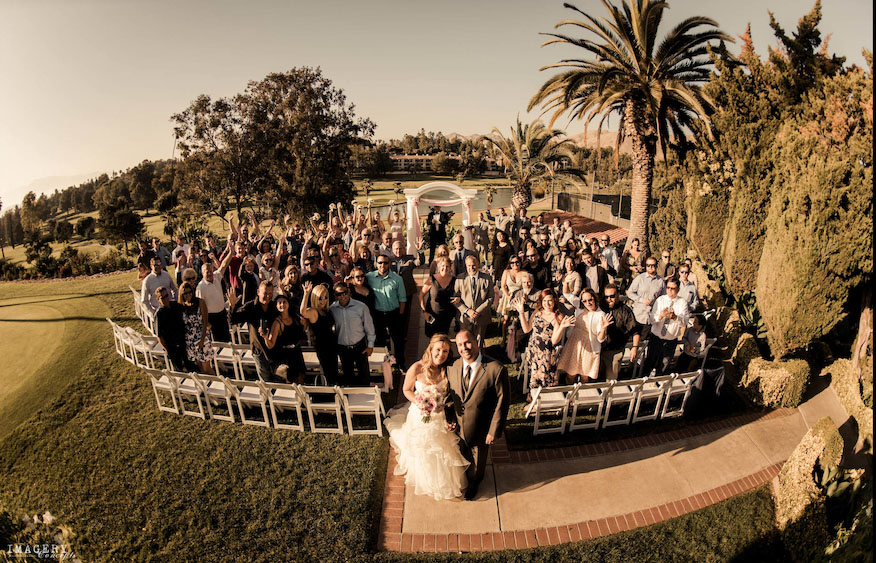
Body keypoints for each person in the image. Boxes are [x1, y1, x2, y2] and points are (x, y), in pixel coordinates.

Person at [384, 334, 470, 500]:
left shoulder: (448, 369)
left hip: (441, 416)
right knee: (423, 448)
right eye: (438, 350)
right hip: (420, 414)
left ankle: (444, 481)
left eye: (445, 351)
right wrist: (419, 401)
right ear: (430, 350)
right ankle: (427, 477)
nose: (441, 354)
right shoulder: (417, 368)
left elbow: (453, 395)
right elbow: (407, 390)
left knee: (443, 450)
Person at [445, 330, 510, 500]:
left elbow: (502, 403)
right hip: (458, 426)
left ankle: (475, 483)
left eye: (467, 342)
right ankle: (466, 478)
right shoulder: (452, 366)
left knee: (478, 460)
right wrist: (449, 418)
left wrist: (493, 431)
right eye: (459, 344)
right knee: (462, 455)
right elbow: (450, 397)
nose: (464, 347)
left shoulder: (496, 369)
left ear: (476, 342)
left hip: (482, 428)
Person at [518, 289, 572, 389]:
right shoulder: (537, 312)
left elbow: (554, 341)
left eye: (550, 300)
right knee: (534, 376)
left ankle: (541, 400)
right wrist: (521, 313)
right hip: (534, 350)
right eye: (544, 301)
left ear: (555, 301)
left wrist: (562, 327)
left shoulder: (558, 317)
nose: (547, 304)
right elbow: (526, 329)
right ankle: (533, 396)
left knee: (544, 379)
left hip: (546, 353)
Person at [228, 281, 279, 382]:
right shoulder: (251, 307)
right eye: (265, 293)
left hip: (275, 350)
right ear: (258, 292)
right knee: (266, 381)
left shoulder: (274, 306)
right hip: (259, 350)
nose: (268, 296)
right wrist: (232, 306)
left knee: (278, 379)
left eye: (270, 293)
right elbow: (233, 320)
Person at [557, 288, 610, 382]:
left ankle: (580, 395)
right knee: (571, 374)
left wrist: (603, 328)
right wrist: (566, 279)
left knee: (584, 377)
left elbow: (601, 339)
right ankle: (569, 394)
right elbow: (566, 293)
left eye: (590, 299)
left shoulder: (601, 314)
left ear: (595, 298)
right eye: (584, 301)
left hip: (589, 348)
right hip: (575, 344)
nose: (588, 303)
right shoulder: (580, 307)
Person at [641, 277, 690, 377]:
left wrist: (675, 317)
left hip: (670, 340)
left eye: (673, 288)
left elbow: (685, 322)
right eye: (668, 288)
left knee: (664, 365)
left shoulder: (682, 303)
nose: (670, 290)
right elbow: (651, 319)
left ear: (678, 289)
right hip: (656, 338)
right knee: (649, 362)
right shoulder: (660, 300)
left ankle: (658, 385)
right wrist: (660, 316)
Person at [330, 282, 376, 386]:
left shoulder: (361, 307)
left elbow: (369, 327)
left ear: (349, 291)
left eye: (345, 292)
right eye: (339, 294)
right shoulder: (332, 309)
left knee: (364, 376)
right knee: (348, 377)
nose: (343, 296)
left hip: (360, 346)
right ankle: (351, 400)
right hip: (343, 349)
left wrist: (370, 345)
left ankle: (366, 398)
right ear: (335, 295)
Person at [600, 284, 642, 381]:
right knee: (597, 378)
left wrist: (634, 348)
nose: (609, 299)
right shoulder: (601, 307)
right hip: (599, 349)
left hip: (615, 351)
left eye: (612, 296)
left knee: (611, 380)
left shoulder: (625, 310)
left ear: (618, 295)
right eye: (606, 297)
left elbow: (635, 330)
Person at [366, 255, 407, 355]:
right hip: (377, 314)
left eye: (385, 263)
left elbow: (402, 299)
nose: (382, 265)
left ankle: (400, 363)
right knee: (380, 340)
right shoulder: (369, 277)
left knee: (398, 340)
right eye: (380, 262)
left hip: (393, 313)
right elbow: (357, 278)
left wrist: (400, 315)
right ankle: (383, 364)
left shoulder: (397, 279)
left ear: (389, 264)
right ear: (376, 264)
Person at [262, 293, 307, 383]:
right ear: (276, 306)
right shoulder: (277, 322)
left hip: (297, 352)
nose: (282, 304)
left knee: (301, 378)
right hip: (285, 356)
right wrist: (266, 338)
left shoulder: (295, 318)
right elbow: (270, 345)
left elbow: (303, 330)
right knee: (290, 381)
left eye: (284, 302)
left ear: (288, 303)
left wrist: (304, 323)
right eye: (279, 303)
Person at [300, 282, 339, 384]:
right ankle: (328, 395)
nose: (323, 300)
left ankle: (335, 394)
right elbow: (303, 312)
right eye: (320, 298)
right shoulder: (314, 312)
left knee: (334, 371)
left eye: (325, 297)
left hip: (332, 345)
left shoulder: (326, 310)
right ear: (314, 298)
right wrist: (306, 293)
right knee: (328, 372)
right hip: (323, 347)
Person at [454, 255, 494, 345]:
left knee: (479, 343)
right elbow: (455, 299)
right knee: (466, 342)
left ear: (478, 264)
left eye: (473, 265)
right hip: (465, 318)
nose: (471, 268)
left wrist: (477, 312)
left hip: (482, 317)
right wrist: (467, 311)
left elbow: (490, 298)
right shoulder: (460, 279)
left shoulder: (487, 279)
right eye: (468, 266)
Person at [178, 281, 214, 374]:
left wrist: (202, 340)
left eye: (190, 292)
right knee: (200, 367)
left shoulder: (200, 302)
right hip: (190, 340)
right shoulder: (182, 307)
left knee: (207, 368)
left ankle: (220, 386)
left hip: (202, 337)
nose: (188, 294)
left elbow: (205, 322)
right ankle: (208, 387)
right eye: (185, 293)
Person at [420, 256, 456, 338]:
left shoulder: (454, 280)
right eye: (442, 266)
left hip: (447, 317)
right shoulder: (431, 279)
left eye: (447, 266)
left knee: (444, 339)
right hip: (432, 315)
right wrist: (424, 312)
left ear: (450, 268)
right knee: (432, 339)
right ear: (439, 267)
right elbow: (421, 295)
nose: (445, 268)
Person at [154, 286, 188, 371]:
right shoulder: (159, 315)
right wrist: (167, 350)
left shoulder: (175, 305)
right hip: (172, 347)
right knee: (179, 370)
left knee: (190, 365)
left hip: (183, 342)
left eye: (166, 296)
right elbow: (159, 336)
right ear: (158, 299)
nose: (165, 299)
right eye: (162, 298)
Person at [626, 257, 665, 330]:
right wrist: (641, 300)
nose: (650, 267)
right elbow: (630, 292)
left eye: (653, 265)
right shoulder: (640, 278)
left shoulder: (660, 281)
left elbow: (663, 298)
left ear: (656, 266)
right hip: (638, 316)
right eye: (648, 265)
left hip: (653, 317)